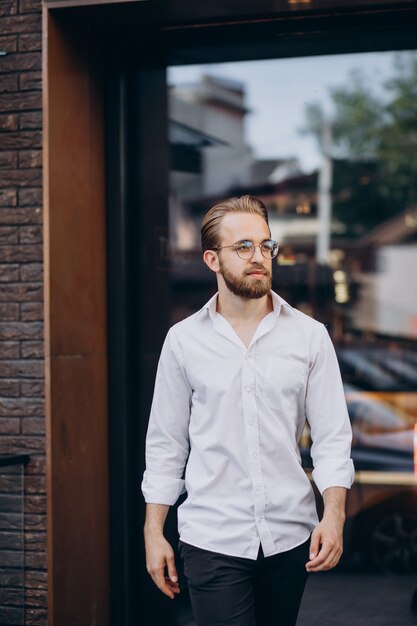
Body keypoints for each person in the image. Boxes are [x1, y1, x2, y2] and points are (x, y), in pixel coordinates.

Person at [141, 195, 354, 626]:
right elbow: (166, 443)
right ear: (212, 259)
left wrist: (333, 516)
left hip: (289, 536)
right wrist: (153, 532)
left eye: (265, 246)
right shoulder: (183, 342)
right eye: (243, 247)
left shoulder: (310, 337)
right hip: (212, 537)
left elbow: (333, 437)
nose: (259, 257)